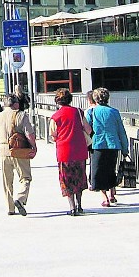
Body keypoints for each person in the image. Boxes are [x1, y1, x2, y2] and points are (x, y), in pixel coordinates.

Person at [0, 94, 37, 215]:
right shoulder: (21, 115)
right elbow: (29, 134)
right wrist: (34, 146)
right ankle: (20, 199)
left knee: (7, 181)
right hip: (19, 150)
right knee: (25, 178)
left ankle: (10, 208)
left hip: (2, 151)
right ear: (16, 104)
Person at [49, 88, 92, 216]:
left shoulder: (55, 117)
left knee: (66, 180)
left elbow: (53, 135)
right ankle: (80, 205)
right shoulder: (78, 112)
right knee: (79, 178)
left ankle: (72, 207)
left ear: (57, 101)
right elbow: (88, 130)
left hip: (64, 152)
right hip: (79, 150)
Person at [85, 87, 129, 207]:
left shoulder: (91, 112)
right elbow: (121, 131)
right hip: (113, 144)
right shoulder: (114, 112)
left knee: (98, 171)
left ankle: (105, 197)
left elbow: (87, 129)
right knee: (111, 169)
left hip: (97, 144)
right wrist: (125, 148)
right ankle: (112, 193)